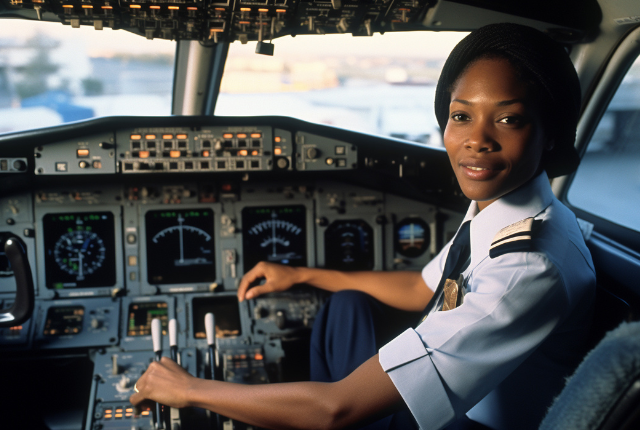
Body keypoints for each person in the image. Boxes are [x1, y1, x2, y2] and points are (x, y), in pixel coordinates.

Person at [130, 23, 596, 430]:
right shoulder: (504, 211)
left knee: (321, 407)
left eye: (508, 119)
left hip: (467, 425)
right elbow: (422, 288)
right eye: (461, 116)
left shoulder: (527, 266)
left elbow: (335, 410)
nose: (476, 140)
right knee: (347, 304)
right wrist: (303, 275)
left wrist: (190, 389)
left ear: (550, 131)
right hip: (456, 403)